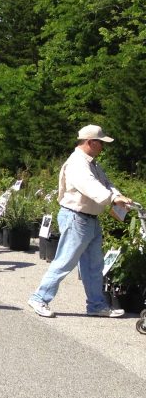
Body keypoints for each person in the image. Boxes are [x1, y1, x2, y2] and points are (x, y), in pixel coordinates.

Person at [28, 125, 132, 319]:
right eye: (101, 143)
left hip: (89, 219)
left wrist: (119, 195)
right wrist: (111, 199)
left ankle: (96, 305)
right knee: (65, 261)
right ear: (90, 142)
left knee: (94, 266)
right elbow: (88, 185)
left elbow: (105, 183)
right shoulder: (77, 163)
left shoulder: (92, 163)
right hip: (76, 218)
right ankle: (39, 297)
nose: (102, 147)